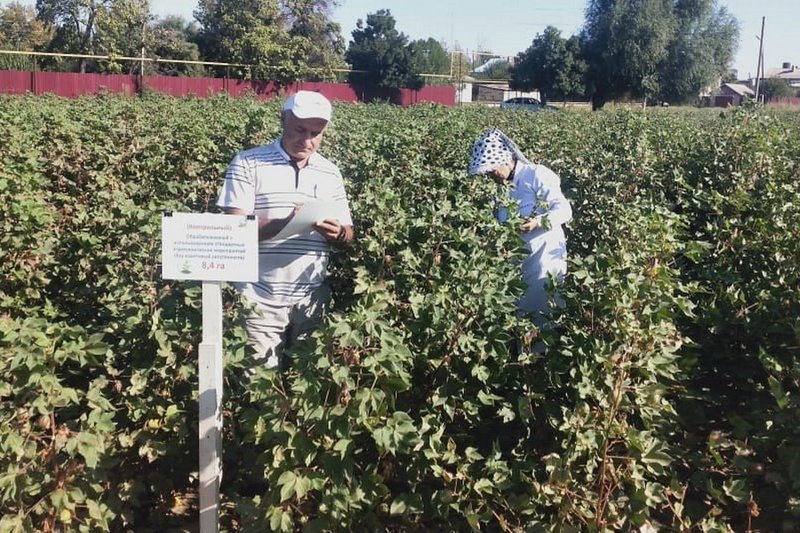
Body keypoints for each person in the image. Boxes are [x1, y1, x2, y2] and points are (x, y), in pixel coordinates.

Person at [217, 90, 354, 369]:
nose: (307, 140)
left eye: (316, 133)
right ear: (283, 121)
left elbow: (348, 233)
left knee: (308, 383)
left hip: (311, 299)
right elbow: (233, 230)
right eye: (299, 130)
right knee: (260, 389)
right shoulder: (248, 163)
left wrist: (337, 233)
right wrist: (287, 223)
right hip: (258, 297)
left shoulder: (331, 173)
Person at [469, 128, 572, 324]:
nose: (491, 175)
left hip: (544, 258)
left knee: (542, 314)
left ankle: (541, 354)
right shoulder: (501, 189)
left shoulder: (536, 175)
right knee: (517, 315)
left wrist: (538, 222)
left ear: (506, 160)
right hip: (516, 261)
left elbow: (565, 210)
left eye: (492, 169)